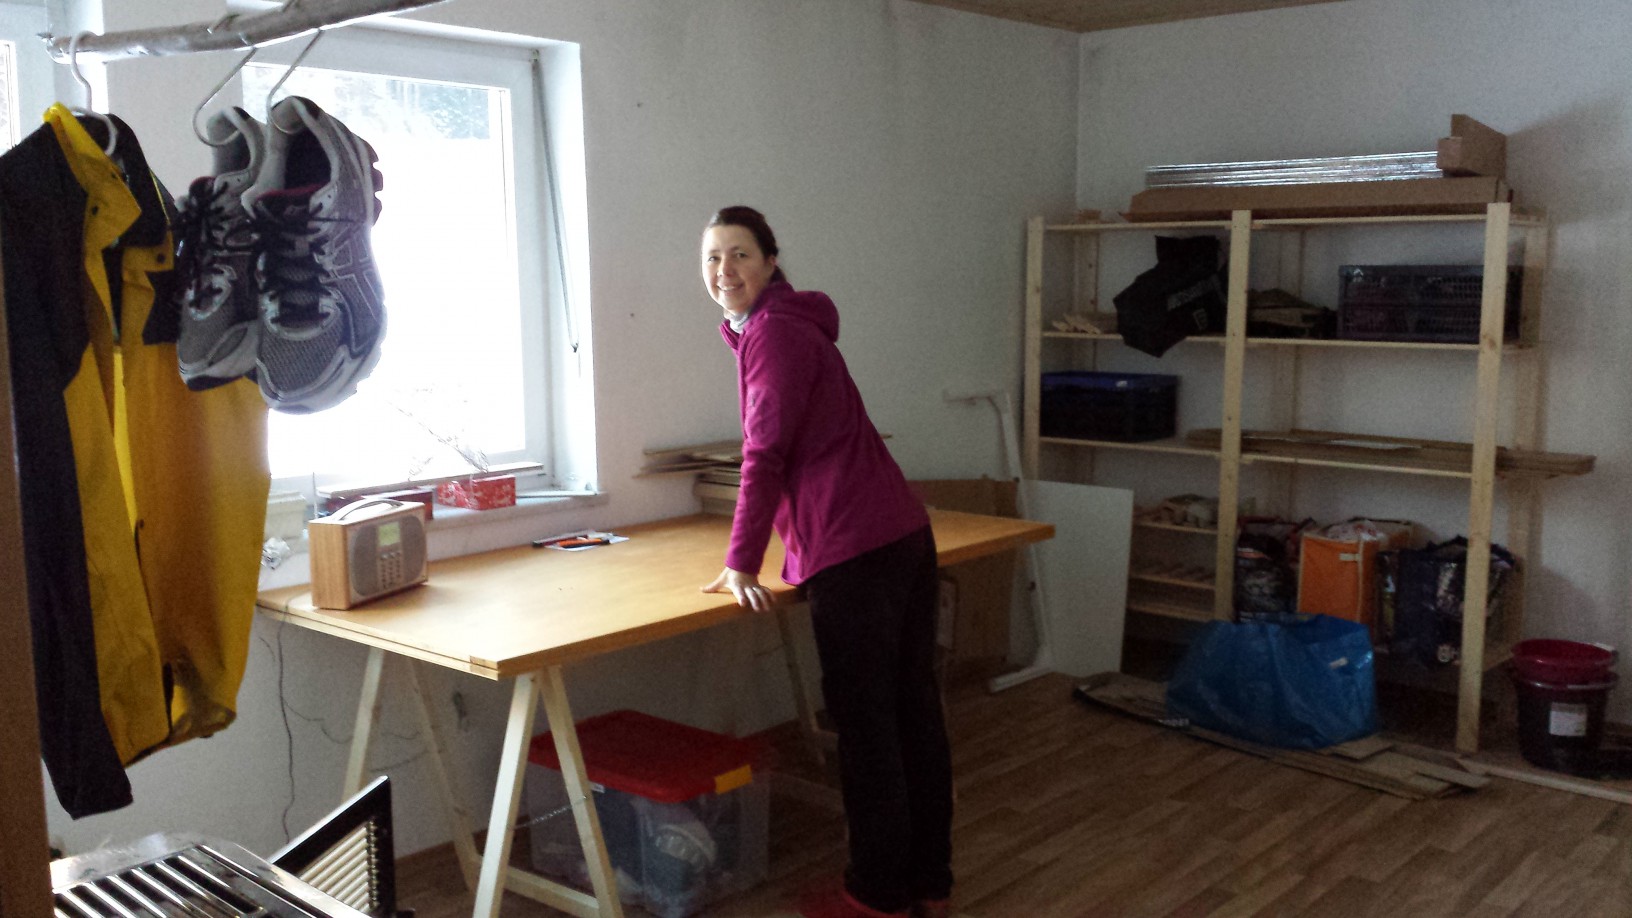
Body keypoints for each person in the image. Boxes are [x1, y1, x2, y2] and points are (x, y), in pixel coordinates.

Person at [699, 206, 952, 918]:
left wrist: (742, 561)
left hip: (854, 547)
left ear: (771, 261)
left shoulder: (773, 333)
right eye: (712, 258)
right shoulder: (785, 325)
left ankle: (875, 897)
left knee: (869, 730)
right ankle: (928, 882)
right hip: (899, 533)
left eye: (740, 254)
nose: (724, 270)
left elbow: (764, 453)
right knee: (912, 715)